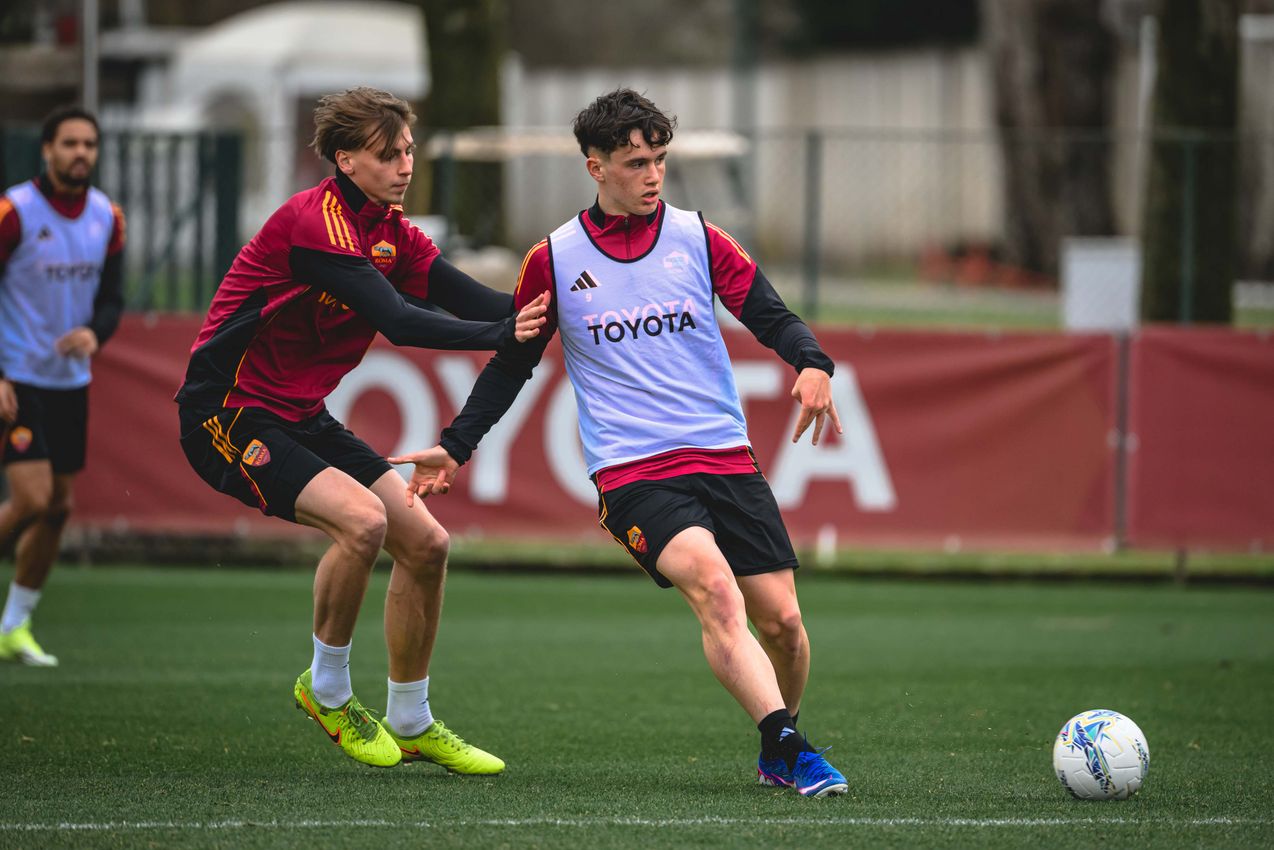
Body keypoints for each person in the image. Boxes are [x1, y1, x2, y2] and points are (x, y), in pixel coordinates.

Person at [391, 88, 849, 797]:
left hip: (725, 456)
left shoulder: (699, 238)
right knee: (715, 590)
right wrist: (455, 445)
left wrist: (813, 363)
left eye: (660, 159)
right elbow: (514, 361)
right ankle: (789, 746)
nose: (653, 175)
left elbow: (771, 315)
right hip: (633, 471)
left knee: (784, 623)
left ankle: (778, 740)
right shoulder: (553, 258)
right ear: (595, 166)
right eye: (636, 162)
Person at [175, 87, 549, 771]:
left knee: (427, 543)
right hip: (224, 412)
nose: (405, 165)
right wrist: (506, 331)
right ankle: (326, 689)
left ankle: (410, 719)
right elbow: (403, 320)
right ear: (345, 159)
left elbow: (464, 293)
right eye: (387, 155)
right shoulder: (313, 224)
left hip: (299, 413)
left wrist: (555, 307)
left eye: (408, 150)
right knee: (363, 521)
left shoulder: (392, 230)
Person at [0, 106, 126, 668]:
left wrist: (95, 334)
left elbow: (112, 300)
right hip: (17, 378)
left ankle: (14, 625)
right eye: (70, 143)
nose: (81, 153)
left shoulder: (108, 216)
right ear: (46, 149)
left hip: (69, 384)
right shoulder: (13, 211)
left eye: (90, 144)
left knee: (58, 508)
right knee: (31, 497)